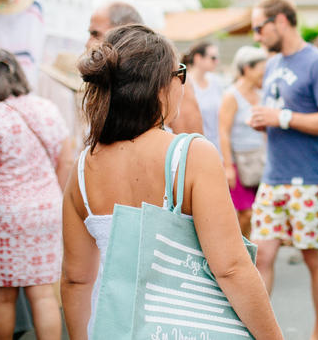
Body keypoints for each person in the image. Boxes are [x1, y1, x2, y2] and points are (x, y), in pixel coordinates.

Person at [61, 24, 282, 340]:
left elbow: (76, 280)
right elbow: (231, 268)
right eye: (181, 73)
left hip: (110, 328)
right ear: (160, 85)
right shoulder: (191, 155)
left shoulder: (83, 168)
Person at [248, 0, 318, 340]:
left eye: (260, 27)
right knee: (262, 257)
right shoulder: (272, 64)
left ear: (281, 21)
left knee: (313, 259)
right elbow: (275, 112)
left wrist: (282, 118)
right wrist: (264, 120)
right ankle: (260, 333)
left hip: (311, 180)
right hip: (273, 178)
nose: (257, 36)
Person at [0, 49, 72, 340]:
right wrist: (49, 195)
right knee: (44, 294)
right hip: (46, 211)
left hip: (1, 217)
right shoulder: (46, 108)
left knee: (2, 297)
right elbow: (67, 159)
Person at [86, 1, 204, 135]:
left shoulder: (171, 78)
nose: (88, 43)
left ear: (126, 33)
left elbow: (189, 147)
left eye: (95, 34)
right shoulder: (105, 81)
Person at [219, 45, 268, 238]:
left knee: (258, 213)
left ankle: (248, 251)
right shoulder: (231, 95)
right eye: (261, 70)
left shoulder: (261, 95)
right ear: (247, 68)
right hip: (239, 162)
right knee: (245, 213)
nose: (263, 75)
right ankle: (239, 252)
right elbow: (223, 131)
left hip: (260, 160)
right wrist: (228, 166)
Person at [183, 41, 224, 148]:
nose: (217, 61)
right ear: (198, 58)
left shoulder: (216, 82)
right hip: (196, 146)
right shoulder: (185, 84)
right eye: (213, 58)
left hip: (217, 146)